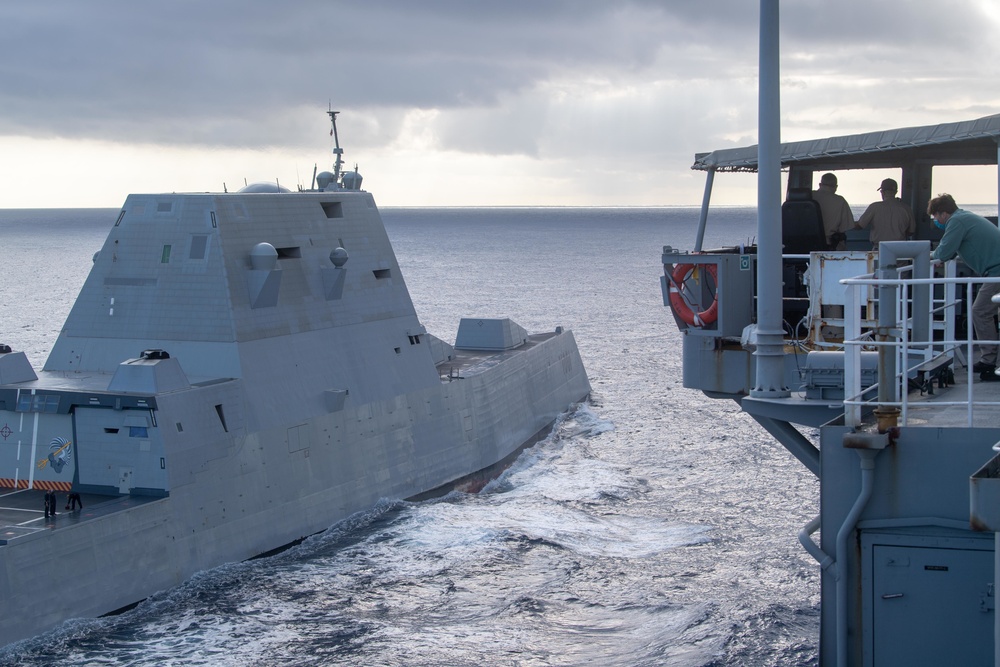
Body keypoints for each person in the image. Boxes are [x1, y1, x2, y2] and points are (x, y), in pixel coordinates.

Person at [929, 193, 1000, 380]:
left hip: (997, 272)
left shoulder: (956, 222)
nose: (936, 221)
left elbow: (944, 251)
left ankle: (989, 360)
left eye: (935, 216)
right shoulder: (965, 217)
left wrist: (929, 255)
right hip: (995, 271)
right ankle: (991, 360)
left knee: (980, 311)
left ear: (943, 213)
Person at [856, 178, 914, 246]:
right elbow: (911, 232)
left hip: (879, 248)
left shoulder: (874, 207)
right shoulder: (906, 209)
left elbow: (859, 226)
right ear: (896, 192)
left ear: (882, 192)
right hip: (899, 249)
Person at [812, 173, 855, 249]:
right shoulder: (840, 201)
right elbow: (845, 227)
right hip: (829, 245)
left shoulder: (809, 197)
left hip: (803, 245)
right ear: (836, 187)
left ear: (820, 184)